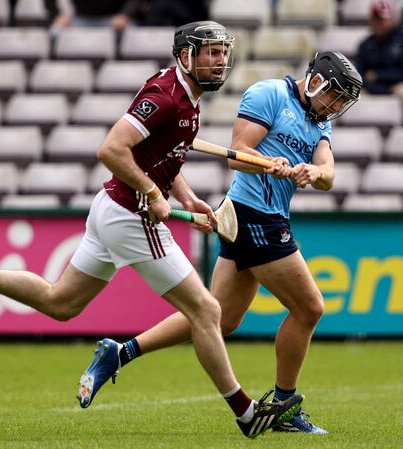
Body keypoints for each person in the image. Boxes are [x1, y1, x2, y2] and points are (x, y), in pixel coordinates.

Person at [0, 21, 302, 438]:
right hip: (130, 217)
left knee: (60, 302)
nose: (220, 60)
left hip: (111, 209)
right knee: (208, 311)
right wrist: (154, 193)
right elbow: (111, 149)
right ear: (185, 56)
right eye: (210, 52)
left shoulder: (189, 99)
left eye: (223, 52)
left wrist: (186, 198)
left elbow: (162, 156)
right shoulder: (166, 98)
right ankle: (246, 413)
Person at [86, 50, 363, 434]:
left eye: (341, 102)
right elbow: (238, 153)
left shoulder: (319, 122)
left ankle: (120, 353)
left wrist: (313, 171)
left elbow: (329, 173)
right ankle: (283, 406)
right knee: (310, 308)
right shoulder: (269, 95)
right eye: (334, 95)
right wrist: (270, 163)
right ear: (315, 79)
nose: (335, 105)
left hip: (263, 217)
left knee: (220, 318)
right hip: (253, 215)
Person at [355, 0, 403, 114]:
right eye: (376, 18)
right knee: (351, 96)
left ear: (394, 19)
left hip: (398, 86)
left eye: (383, 19)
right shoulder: (366, 44)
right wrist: (378, 88)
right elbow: (359, 77)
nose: (379, 23)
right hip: (373, 88)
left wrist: (378, 75)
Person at [47, 0, 141, 31]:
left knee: (133, 34)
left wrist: (125, 15)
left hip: (114, 19)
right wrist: (57, 15)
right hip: (79, 19)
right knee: (55, 31)